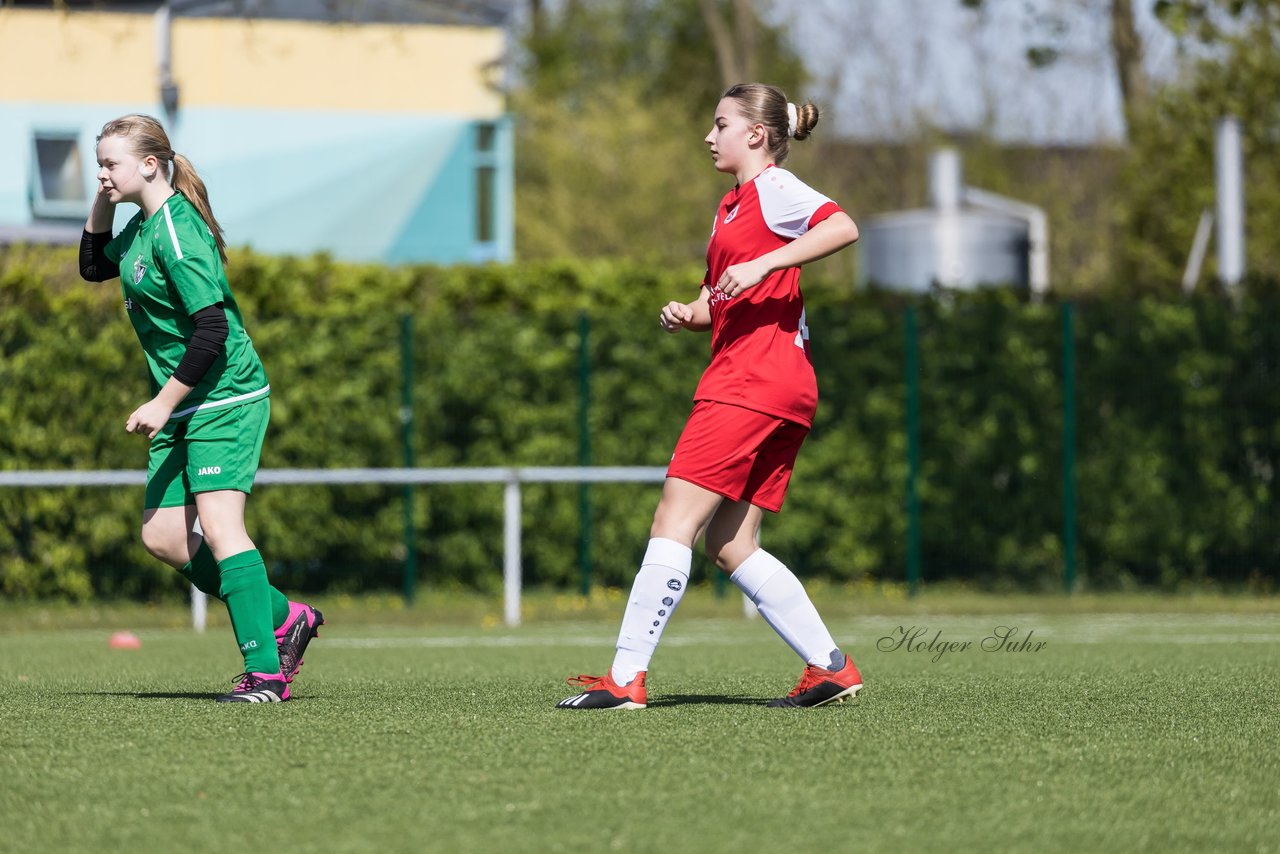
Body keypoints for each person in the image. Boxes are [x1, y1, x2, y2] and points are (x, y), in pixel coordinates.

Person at [557, 84, 862, 710]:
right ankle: (830, 667)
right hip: (782, 385)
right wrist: (689, 312)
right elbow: (716, 299)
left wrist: (766, 265)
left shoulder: (773, 188)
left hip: (750, 381)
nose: (709, 135)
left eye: (720, 123)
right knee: (731, 543)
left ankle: (625, 679)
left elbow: (843, 227)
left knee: (674, 519)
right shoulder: (728, 209)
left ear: (755, 134)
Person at [79, 114, 323, 703]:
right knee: (164, 536)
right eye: (99, 164)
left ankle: (265, 673)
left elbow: (211, 329)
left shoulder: (178, 231)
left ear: (150, 164)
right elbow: (92, 266)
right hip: (184, 403)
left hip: (223, 397)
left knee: (219, 529)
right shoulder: (142, 226)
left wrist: (163, 402)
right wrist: (106, 195)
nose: (102, 174)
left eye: (110, 164)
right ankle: (286, 616)